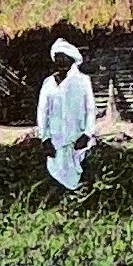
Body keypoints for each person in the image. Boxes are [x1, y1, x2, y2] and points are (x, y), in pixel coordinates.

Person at [36, 38, 97, 190]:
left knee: (79, 167)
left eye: (63, 57)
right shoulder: (48, 83)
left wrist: (87, 134)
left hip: (76, 137)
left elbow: (90, 109)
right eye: (57, 57)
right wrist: (45, 138)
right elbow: (43, 112)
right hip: (55, 138)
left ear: (71, 58)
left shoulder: (82, 81)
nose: (60, 61)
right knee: (55, 171)